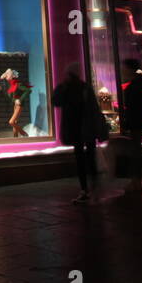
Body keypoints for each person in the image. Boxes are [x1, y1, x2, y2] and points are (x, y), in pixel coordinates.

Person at [52, 64, 98, 203]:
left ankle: (85, 189)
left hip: (75, 128)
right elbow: (93, 107)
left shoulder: (66, 88)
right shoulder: (85, 87)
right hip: (87, 127)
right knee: (91, 156)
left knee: (80, 157)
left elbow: (56, 102)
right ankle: (93, 186)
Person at [118, 60, 142, 193]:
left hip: (135, 121)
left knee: (135, 151)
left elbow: (133, 106)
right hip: (136, 121)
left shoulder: (135, 85)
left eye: (125, 68)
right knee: (137, 150)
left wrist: (127, 121)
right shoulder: (139, 83)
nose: (123, 70)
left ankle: (137, 180)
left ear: (130, 69)